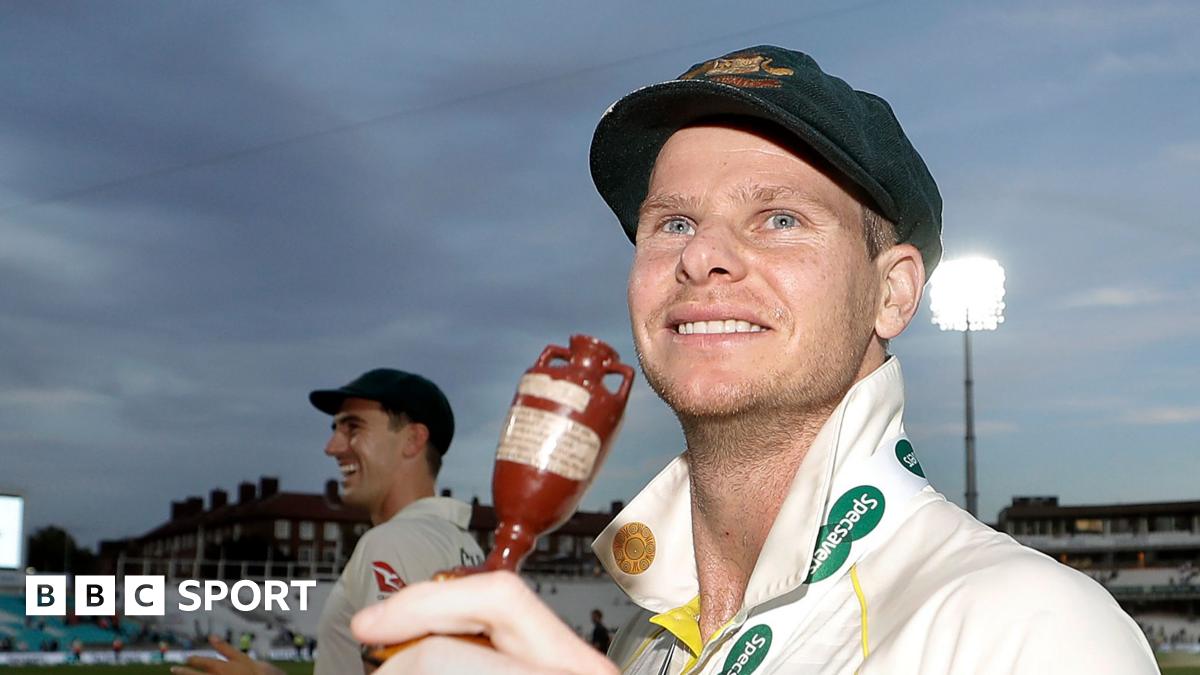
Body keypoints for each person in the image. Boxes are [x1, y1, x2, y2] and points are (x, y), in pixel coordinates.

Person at [350, 46, 1160, 673]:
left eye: (779, 218)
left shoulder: (1030, 631)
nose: (701, 255)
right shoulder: (646, 642)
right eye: (672, 223)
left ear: (892, 293)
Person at [175, 368, 484, 675]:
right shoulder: (465, 546)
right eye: (336, 429)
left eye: (353, 428)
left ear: (412, 440)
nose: (332, 447)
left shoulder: (393, 541)